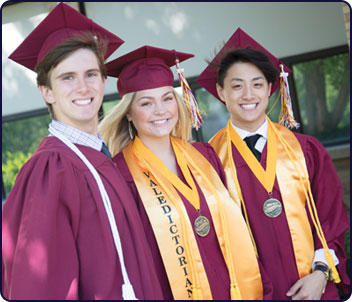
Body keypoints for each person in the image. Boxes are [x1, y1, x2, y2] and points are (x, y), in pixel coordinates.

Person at [2, 3, 163, 300]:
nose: (82, 87)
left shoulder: (104, 159)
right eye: (67, 78)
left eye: (90, 74)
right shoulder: (51, 168)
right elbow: (43, 285)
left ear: (103, 82)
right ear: (46, 91)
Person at [99, 45, 273, 300]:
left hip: (233, 289)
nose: (160, 111)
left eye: (167, 98)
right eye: (147, 103)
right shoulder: (118, 175)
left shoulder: (204, 155)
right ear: (128, 113)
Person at [196, 27, 350, 300]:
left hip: (314, 287)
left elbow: (331, 218)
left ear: (270, 88)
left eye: (257, 84)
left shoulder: (305, 150)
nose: (248, 94)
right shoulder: (208, 161)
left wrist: (320, 274)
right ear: (221, 92)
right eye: (236, 85)